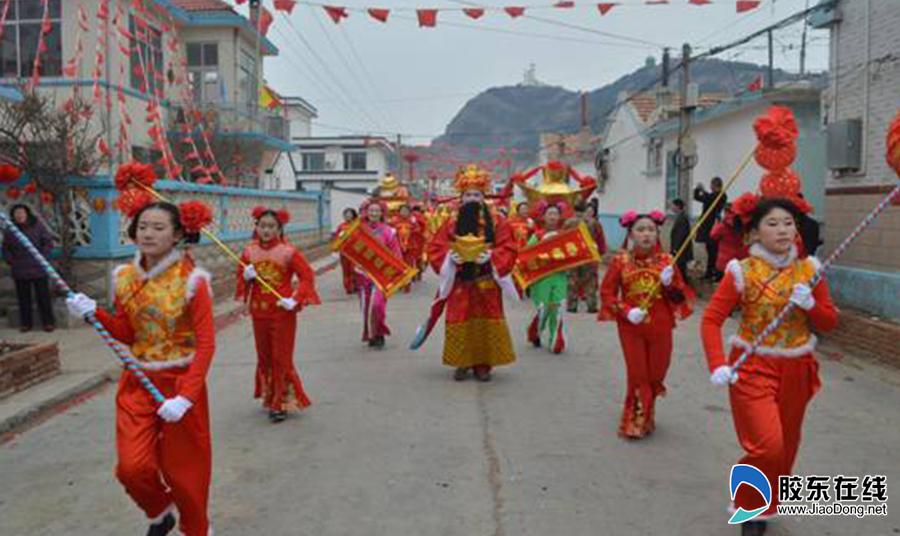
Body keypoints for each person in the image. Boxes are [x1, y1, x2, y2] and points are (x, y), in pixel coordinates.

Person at [65, 201, 216, 536]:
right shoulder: (125, 277)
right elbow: (126, 332)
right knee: (131, 468)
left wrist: (186, 397)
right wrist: (93, 313)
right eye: (143, 226)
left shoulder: (193, 281)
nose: (148, 233)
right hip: (138, 382)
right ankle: (160, 510)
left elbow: (206, 344)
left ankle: (197, 528)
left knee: (184, 472)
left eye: (158, 227)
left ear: (176, 234)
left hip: (179, 386)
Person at [701, 198, 838, 536]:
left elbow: (829, 322)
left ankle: (766, 504)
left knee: (786, 446)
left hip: (797, 367)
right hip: (752, 366)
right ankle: (749, 506)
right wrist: (717, 363)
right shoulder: (742, 271)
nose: (782, 230)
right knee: (768, 444)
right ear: (754, 233)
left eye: (788, 223)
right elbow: (711, 320)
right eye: (773, 224)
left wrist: (811, 305)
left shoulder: (809, 270)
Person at [599, 210, 693, 440]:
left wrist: (670, 284)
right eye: (641, 230)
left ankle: (647, 412)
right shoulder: (620, 261)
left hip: (661, 327)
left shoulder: (667, 262)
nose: (646, 234)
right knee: (638, 374)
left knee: (656, 373)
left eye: (651, 229)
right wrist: (626, 311)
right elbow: (607, 293)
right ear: (631, 234)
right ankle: (635, 421)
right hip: (631, 328)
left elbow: (680, 298)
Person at [427, 165, 518, 382]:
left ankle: (483, 365)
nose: (472, 199)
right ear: (461, 197)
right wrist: (450, 258)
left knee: (486, 323)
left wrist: (492, 256)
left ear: (483, 196)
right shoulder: (451, 221)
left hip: (486, 281)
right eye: (468, 195)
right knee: (459, 320)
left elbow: (509, 247)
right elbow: (436, 246)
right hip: (460, 282)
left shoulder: (497, 221)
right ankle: (462, 362)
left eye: (476, 195)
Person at [237, 206, 320, 423]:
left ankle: (279, 403)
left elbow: (307, 276)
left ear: (279, 229)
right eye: (262, 226)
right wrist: (245, 276)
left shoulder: (288, 252)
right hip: (259, 313)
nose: (266, 230)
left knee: (280, 357)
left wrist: (295, 298)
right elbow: (241, 281)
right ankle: (270, 395)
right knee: (264, 357)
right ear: (256, 227)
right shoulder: (249, 252)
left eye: (271, 226)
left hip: (282, 312)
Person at [2, 204, 56, 332]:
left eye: (21, 212)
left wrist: (43, 257)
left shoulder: (37, 226)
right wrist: (11, 260)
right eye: (16, 213)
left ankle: (48, 323)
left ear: (27, 214)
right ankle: (26, 324)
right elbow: (5, 248)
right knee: (23, 298)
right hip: (20, 268)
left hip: (38, 267)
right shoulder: (10, 230)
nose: (19, 215)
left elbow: (47, 242)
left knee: (43, 297)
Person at [357, 198, 403, 349]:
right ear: (366, 212)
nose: (374, 213)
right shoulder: (359, 230)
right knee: (366, 307)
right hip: (364, 274)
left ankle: (380, 333)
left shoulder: (389, 231)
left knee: (377, 305)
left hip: (382, 275)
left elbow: (396, 253)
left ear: (382, 213)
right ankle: (371, 335)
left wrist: (397, 271)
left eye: (377, 211)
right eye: (371, 210)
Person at [527, 202, 569, 353]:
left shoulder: (565, 235)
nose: (552, 217)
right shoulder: (537, 236)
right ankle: (536, 333)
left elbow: (572, 253)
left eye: (555, 214)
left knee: (557, 307)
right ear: (544, 217)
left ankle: (555, 341)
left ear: (559, 217)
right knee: (543, 308)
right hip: (542, 278)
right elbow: (528, 254)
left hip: (559, 276)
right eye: (550, 214)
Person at [565, 201, 608, 313]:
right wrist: (601, 252)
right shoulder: (594, 223)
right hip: (589, 254)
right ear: (585, 210)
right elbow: (600, 239)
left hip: (573, 255)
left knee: (572, 280)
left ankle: (572, 305)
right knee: (590, 280)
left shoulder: (568, 222)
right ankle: (591, 305)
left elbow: (563, 238)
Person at [694, 177, 728, 280]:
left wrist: (703, 190)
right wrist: (697, 189)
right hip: (707, 225)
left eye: (711, 185)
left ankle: (715, 272)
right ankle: (709, 272)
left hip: (713, 225)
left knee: (714, 251)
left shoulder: (721, 195)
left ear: (714, 185)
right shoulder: (711, 196)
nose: (710, 187)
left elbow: (710, 198)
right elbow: (698, 197)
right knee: (709, 250)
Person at [710, 204, 749, 279]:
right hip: (739, 259)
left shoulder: (723, 225)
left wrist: (717, 223)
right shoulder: (742, 222)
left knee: (724, 282)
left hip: (724, 261)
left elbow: (713, 235)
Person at [333, 208, 359, 295]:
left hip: (355, 252)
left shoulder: (357, 225)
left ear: (353, 215)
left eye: (349, 214)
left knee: (354, 270)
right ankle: (348, 287)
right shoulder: (341, 226)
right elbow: (336, 238)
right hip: (344, 253)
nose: (347, 216)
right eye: (346, 214)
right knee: (346, 270)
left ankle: (356, 285)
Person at [668, 198, 693, 285]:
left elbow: (680, 235)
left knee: (680, 268)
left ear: (678, 206)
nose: (671, 207)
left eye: (672, 205)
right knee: (680, 268)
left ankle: (684, 285)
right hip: (680, 248)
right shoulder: (680, 216)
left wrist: (675, 249)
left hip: (681, 249)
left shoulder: (682, 218)